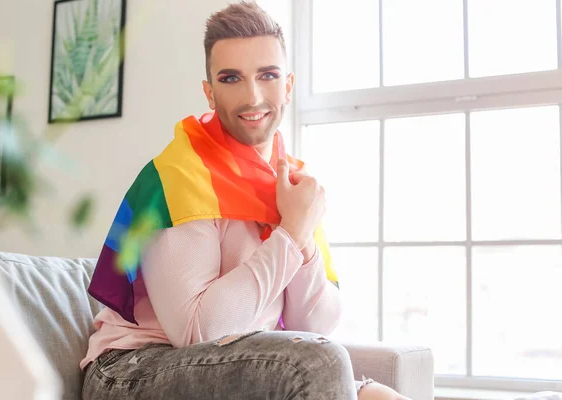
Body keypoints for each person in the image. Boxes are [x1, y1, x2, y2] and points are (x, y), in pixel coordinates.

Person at [81, 2, 409, 399]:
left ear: (287, 85)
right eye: (231, 78)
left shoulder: (289, 183)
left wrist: (300, 234)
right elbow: (199, 333)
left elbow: (317, 323)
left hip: (240, 360)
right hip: (133, 368)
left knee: (381, 397)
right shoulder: (180, 175)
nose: (252, 97)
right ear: (209, 91)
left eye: (267, 75)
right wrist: (289, 235)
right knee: (319, 364)